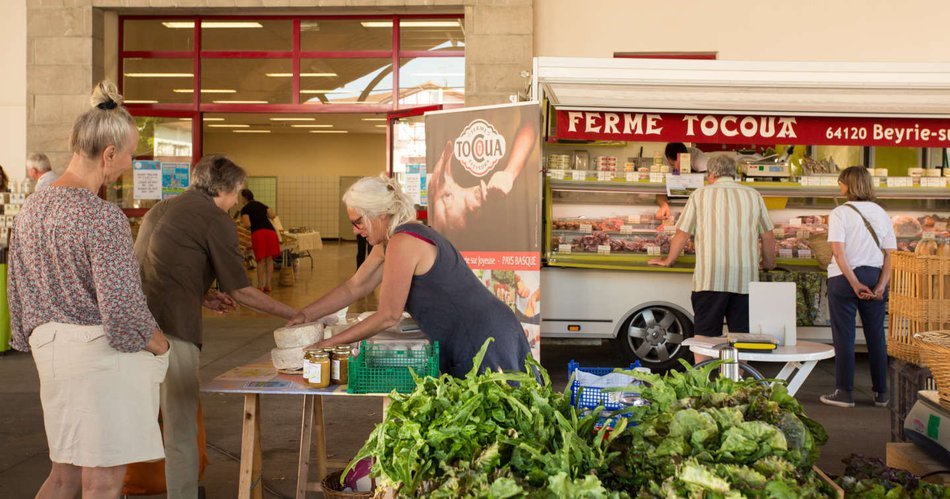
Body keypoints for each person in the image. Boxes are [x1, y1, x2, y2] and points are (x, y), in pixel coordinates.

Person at [7, 81, 171, 498]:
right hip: (101, 361)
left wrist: (34, 337)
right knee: (103, 480)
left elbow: (18, 292)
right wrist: (159, 344)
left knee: (63, 474)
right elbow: (122, 310)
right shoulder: (102, 217)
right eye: (131, 154)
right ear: (109, 153)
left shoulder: (31, 209)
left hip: (52, 354)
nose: (130, 165)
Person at [134, 155, 298, 499]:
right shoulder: (214, 218)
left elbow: (158, 269)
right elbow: (241, 290)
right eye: (236, 191)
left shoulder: (161, 209)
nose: (237, 200)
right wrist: (293, 314)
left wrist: (203, 295)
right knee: (179, 427)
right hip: (171, 332)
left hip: (132, 328)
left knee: (130, 421)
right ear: (222, 189)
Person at [288, 175, 532, 377]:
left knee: (499, 426)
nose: (354, 230)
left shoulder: (404, 241)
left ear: (380, 214)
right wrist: (305, 315)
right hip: (477, 331)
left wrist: (327, 344)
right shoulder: (391, 242)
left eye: (358, 221)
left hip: (483, 335)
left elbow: (388, 315)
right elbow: (355, 286)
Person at [649, 155, 776, 358]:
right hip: (745, 280)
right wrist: (769, 263)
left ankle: (705, 380)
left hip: (710, 278)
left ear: (711, 175)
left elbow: (682, 234)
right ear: (734, 174)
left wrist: (668, 260)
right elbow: (768, 235)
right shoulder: (753, 195)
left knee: (705, 338)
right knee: (742, 337)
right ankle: (737, 384)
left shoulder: (700, 195)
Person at [820, 166, 895, 408]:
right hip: (874, 276)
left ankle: (844, 392)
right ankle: (881, 394)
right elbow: (890, 254)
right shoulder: (881, 213)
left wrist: (854, 283)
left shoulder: (840, 213)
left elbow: (839, 253)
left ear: (848, 185)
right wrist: (882, 285)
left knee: (844, 336)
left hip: (844, 280)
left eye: (841, 183)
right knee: (876, 336)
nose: (839, 187)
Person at [239, 188, 280, 291]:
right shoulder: (262, 205)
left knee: (260, 260)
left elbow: (248, 224)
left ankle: (260, 286)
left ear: (244, 198)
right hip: (270, 232)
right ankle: (268, 285)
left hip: (259, 233)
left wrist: (241, 223)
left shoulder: (245, 209)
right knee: (269, 259)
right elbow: (273, 215)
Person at [655, 142, 707, 220]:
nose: (676, 168)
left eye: (680, 164)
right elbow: (661, 189)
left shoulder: (699, 158)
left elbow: (706, 184)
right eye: (672, 165)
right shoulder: (665, 158)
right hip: (676, 192)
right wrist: (663, 204)